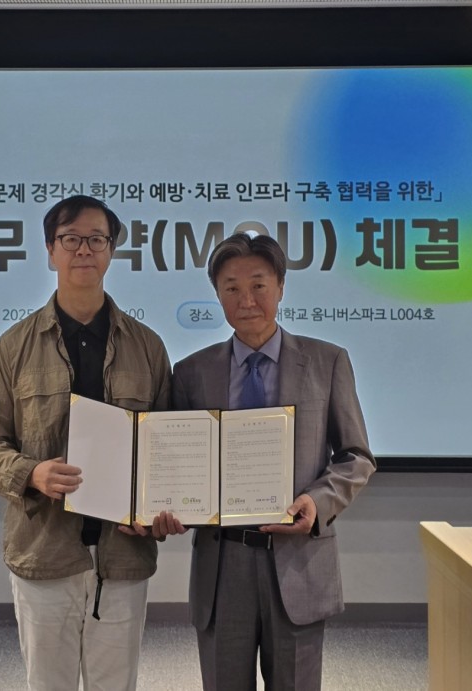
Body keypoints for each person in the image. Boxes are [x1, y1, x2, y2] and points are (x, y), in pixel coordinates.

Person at [152, 233, 375, 691]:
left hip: (298, 559)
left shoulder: (327, 361)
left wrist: (317, 502)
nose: (246, 300)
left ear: (281, 287)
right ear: (217, 294)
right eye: (231, 288)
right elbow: (176, 464)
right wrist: (165, 507)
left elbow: (356, 457)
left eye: (258, 285)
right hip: (222, 565)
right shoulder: (191, 373)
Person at [0, 194, 171, 691]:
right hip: (45, 553)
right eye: (71, 238)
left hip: (123, 556)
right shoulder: (13, 347)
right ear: (50, 250)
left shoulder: (147, 346)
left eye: (96, 239)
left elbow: (167, 449)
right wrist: (31, 473)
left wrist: (159, 508)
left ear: (112, 250)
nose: (84, 249)